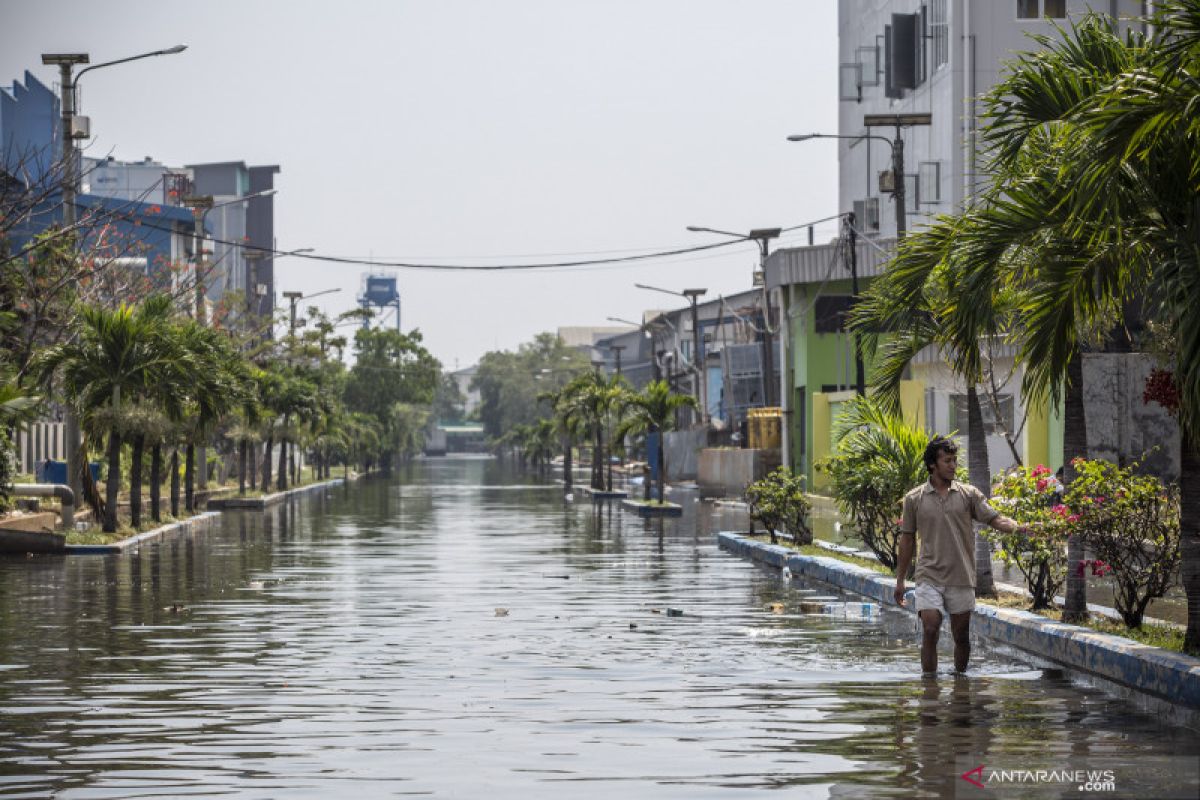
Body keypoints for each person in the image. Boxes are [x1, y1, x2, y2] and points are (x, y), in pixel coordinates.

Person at [892, 435, 1029, 674]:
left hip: (961, 575)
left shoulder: (969, 494)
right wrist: (901, 580)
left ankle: (959, 681)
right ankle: (930, 686)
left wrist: (1021, 527)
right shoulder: (914, 498)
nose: (953, 465)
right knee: (931, 628)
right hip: (928, 575)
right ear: (933, 464)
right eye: (947, 460)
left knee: (961, 636)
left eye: (955, 460)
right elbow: (906, 539)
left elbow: (995, 518)